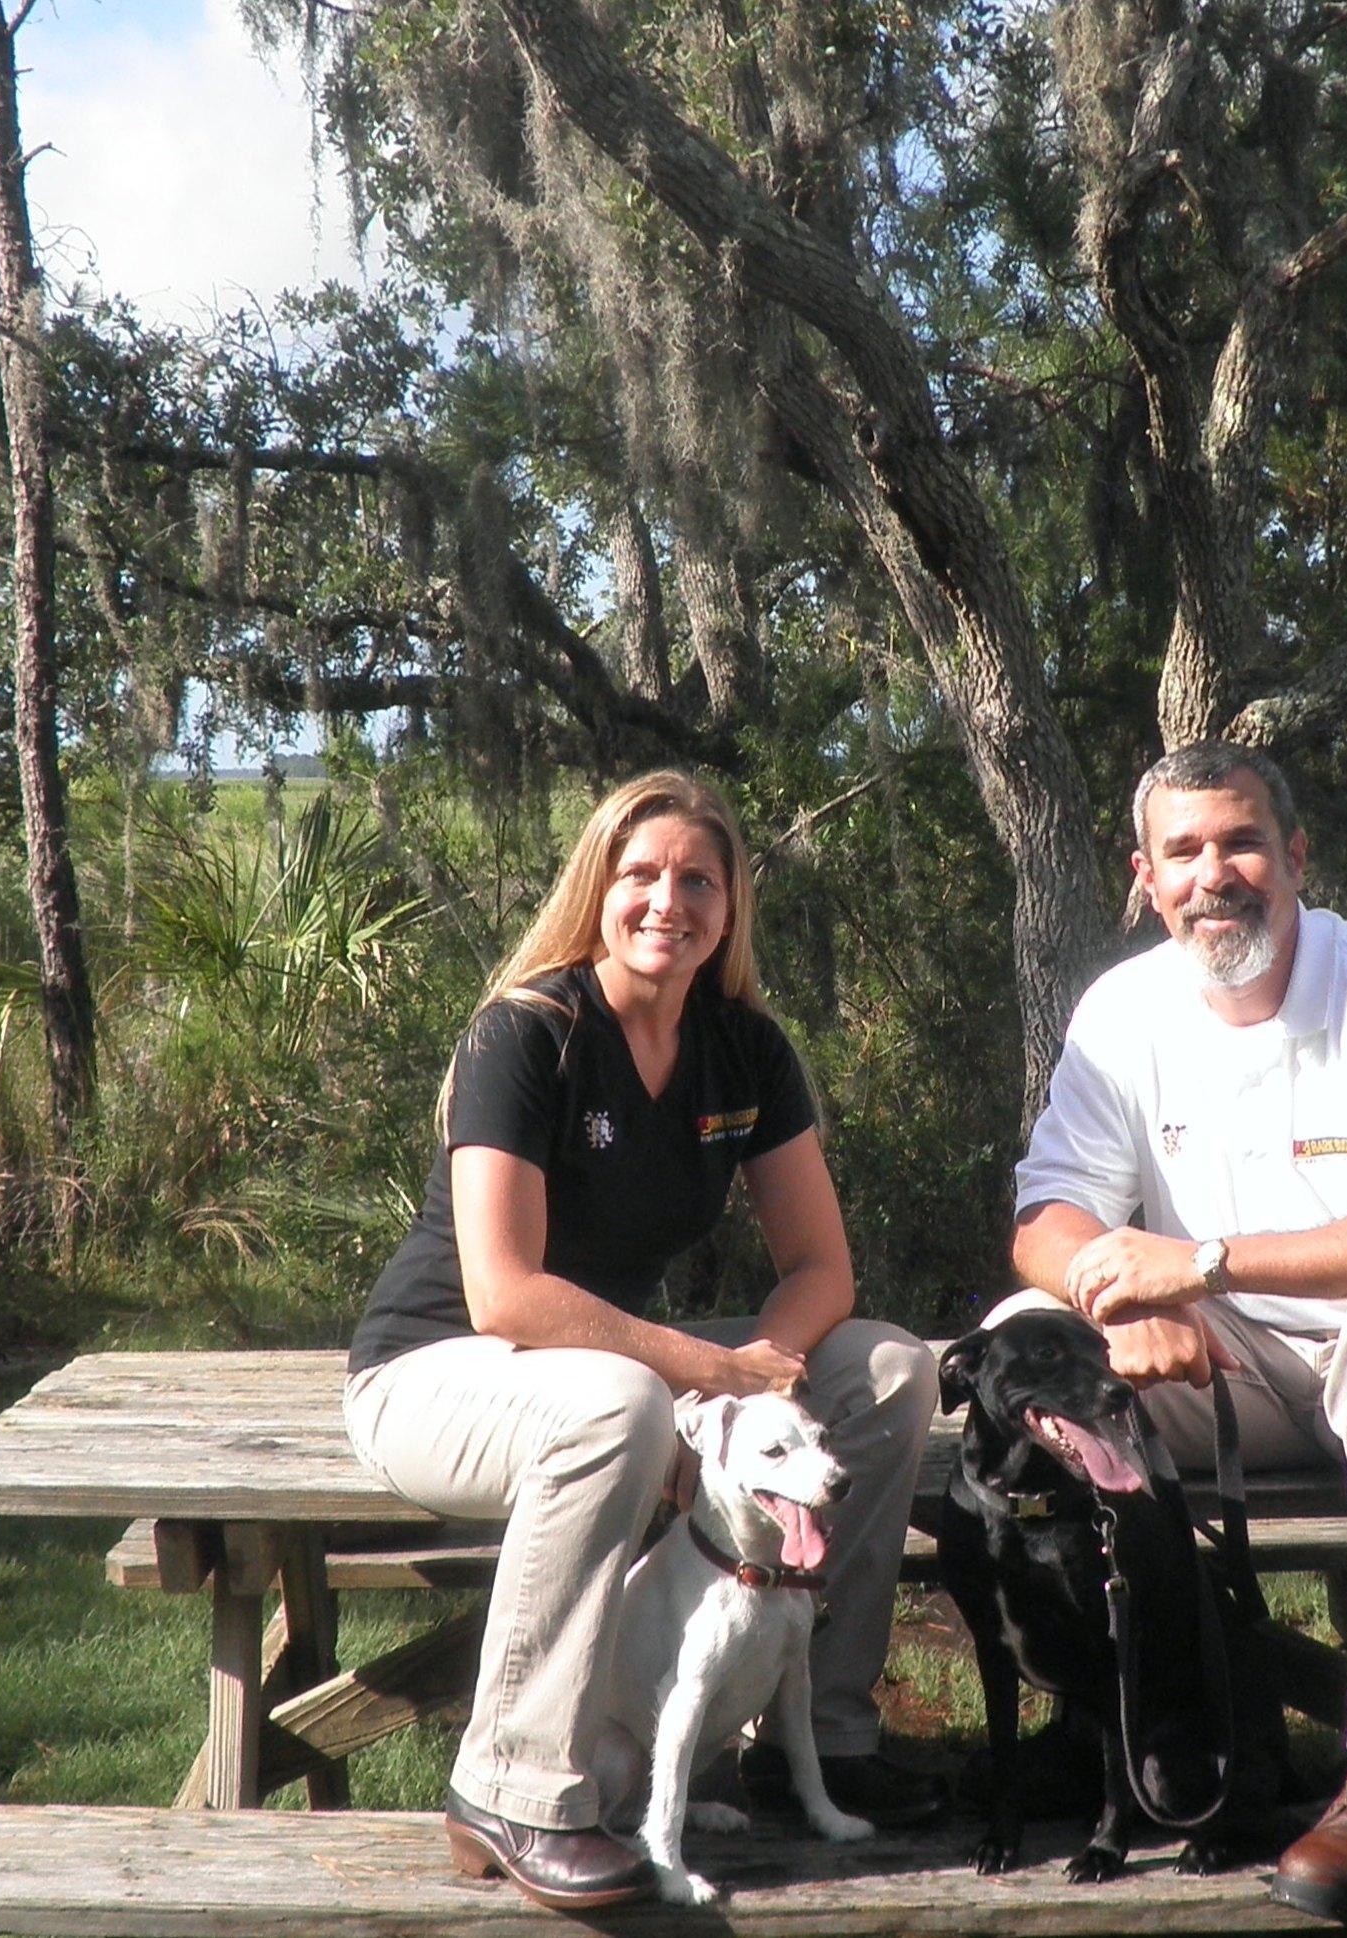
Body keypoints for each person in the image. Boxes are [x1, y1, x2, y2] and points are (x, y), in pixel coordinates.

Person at [343, 770, 942, 1911]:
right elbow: (505, 1295)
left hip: (614, 1366)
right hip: (437, 1371)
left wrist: (753, 1386)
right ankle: (513, 1786)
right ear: (598, 890)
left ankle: (810, 1740)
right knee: (617, 1402)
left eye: (697, 880)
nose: (668, 901)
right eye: (641, 876)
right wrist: (707, 1373)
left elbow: (820, 1268)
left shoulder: (745, 1050)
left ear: (729, 907)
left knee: (889, 1370)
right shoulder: (526, 1032)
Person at [994, 740, 1347, 1925]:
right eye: (1183, 852)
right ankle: (1130, 1714)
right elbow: (1047, 1218)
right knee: (1020, 1347)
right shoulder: (1122, 1012)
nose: (1216, 874)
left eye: (1242, 842)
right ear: (1144, 881)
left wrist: (1194, 1267)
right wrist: (1116, 1307)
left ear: (1294, 857)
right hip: (1236, 1354)